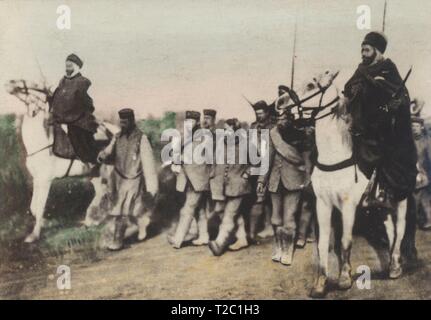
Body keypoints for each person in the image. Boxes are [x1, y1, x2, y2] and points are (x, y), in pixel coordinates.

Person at [343, 31, 417, 208]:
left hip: (383, 126)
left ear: (377, 51)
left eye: (366, 50)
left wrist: (388, 102)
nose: (362, 54)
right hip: (361, 123)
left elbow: (402, 98)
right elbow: (348, 89)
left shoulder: (389, 68)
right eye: (362, 50)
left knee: (387, 151)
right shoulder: (361, 70)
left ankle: (383, 190)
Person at [97, 108, 159, 250]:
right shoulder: (117, 136)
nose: (123, 125)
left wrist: (152, 187)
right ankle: (142, 223)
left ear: (132, 121)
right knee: (124, 210)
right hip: (118, 180)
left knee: (123, 210)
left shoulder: (141, 139)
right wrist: (102, 155)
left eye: (126, 122)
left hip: (133, 181)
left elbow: (149, 165)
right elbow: (108, 151)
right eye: (121, 122)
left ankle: (117, 241)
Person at [257, 111, 308, 265]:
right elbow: (267, 158)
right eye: (278, 118)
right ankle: (278, 247)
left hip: (293, 180)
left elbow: (304, 160)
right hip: (275, 180)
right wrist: (261, 180)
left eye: (284, 118)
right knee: (275, 218)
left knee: (289, 217)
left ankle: (287, 250)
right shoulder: (273, 134)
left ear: (291, 120)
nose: (281, 121)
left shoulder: (300, 135)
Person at [168, 111, 213, 248]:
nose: (188, 124)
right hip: (189, 179)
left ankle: (178, 239)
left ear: (197, 122)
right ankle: (204, 236)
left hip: (199, 178)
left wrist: (182, 158)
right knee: (199, 209)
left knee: (187, 209)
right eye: (187, 121)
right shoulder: (185, 136)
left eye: (192, 121)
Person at [208, 119, 253, 256]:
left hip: (238, 186)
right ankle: (242, 238)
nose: (226, 132)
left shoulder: (246, 144)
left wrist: (246, 174)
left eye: (229, 129)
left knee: (229, 215)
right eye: (225, 129)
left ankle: (219, 243)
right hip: (223, 186)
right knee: (223, 212)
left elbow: (258, 163)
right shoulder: (222, 143)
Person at [51, 53, 99, 163]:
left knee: (78, 137)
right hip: (63, 118)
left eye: (70, 65)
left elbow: (86, 104)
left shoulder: (83, 82)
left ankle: (91, 163)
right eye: (66, 65)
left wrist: (69, 116)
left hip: (80, 121)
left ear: (77, 66)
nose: (67, 68)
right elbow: (56, 98)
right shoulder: (62, 81)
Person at [247, 100, 276, 242]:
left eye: (261, 113)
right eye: (256, 114)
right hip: (256, 167)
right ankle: (265, 226)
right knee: (261, 199)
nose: (259, 116)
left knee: (268, 199)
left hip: (272, 167)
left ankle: (265, 228)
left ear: (267, 113)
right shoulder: (252, 127)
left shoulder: (273, 127)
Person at [412, 116, 431, 230]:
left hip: (425, 173)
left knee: (423, 197)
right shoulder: (407, 141)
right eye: (412, 126)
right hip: (413, 174)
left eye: (417, 126)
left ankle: (427, 219)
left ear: (422, 127)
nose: (414, 128)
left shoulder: (426, 141)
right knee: (416, 198)